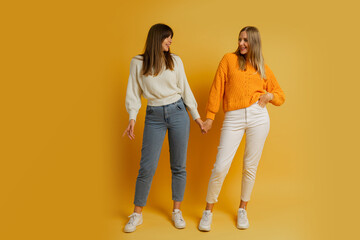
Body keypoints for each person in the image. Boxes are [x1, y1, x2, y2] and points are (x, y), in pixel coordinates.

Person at [198, 26, 285, 231]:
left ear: (254, 42)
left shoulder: (262, 66)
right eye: (239, 39)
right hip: (233, 117)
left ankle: (242, 209)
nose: (241, 44)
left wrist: (269, 96)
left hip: (258, 116)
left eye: (245, 40)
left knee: (249, 167)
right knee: (220, 166)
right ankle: (208, 211)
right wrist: (210, 117)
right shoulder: (228, 60)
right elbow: (217, 88)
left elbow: (280, 94)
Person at [123, 23, 203, 233]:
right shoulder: (138, 63)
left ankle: (177, 211)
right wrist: (132, 117)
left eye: (171, 38)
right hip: (154, 116)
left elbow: (185, 90)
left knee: (178, 165)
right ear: (156, 38)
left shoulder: (175, 61)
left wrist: (197, 118)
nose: (170, 41)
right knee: (146, 167)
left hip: (178, 112)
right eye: (167, 38)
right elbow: (133, 92)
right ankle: (137, 214)